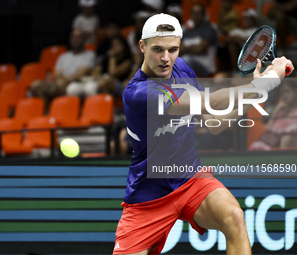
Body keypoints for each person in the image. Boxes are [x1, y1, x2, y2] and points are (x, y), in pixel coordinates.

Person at [113, 13, 294, 255]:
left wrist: (255, 94)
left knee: (234, 217)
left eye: (173, 49)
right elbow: (209, 102)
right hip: (148, 196)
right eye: (157, 49)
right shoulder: (139, 93)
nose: (166, 58)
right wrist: (267, 82)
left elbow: (214, 123)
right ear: (142, 46)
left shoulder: (181, 68)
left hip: (190, 179)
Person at [30, 29, 95, 111]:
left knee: (63, 85)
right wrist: (62, 80)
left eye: (79, 37)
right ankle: (46, 114)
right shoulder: (63, 56)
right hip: (58, 85)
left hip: (75, 85)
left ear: (84, 39)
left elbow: (80, 74)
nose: (76, 40)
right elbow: (57, 74)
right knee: (36, 85)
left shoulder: (89, 55)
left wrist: (64, 79)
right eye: (73, 37)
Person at [249, 79, 297, 150]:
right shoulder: (280, 112)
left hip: (289, 144)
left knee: (286, 140)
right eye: (282, 93)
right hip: (273, 144)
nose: (284, 95)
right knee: (257, 146)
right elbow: (268, 129)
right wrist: (277, 108)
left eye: (287, 91)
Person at [180, 3, 218, 77]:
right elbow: (179, 50)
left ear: (204, 14)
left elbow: (200, 49)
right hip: (189, 62)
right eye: (194, 13)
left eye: (198, 13)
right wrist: (193, 47)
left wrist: (186, 48)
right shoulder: (187, 32)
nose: (196, 16)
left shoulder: (209, 29)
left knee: (185, 59)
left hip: (205, 66)